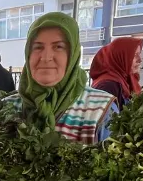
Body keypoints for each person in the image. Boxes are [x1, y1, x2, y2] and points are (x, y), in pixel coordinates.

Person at [16, 12, 116, 144]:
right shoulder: (7, 107)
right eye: (38, 47)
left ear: (73, 54)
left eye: (58, 47)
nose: (46, 57)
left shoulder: (101, 109)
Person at [89, 36, 143, 109]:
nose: (140, 60)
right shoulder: (108, 86)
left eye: (139, 54)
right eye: (134, 55)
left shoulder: (126, 80)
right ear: (120, 57)